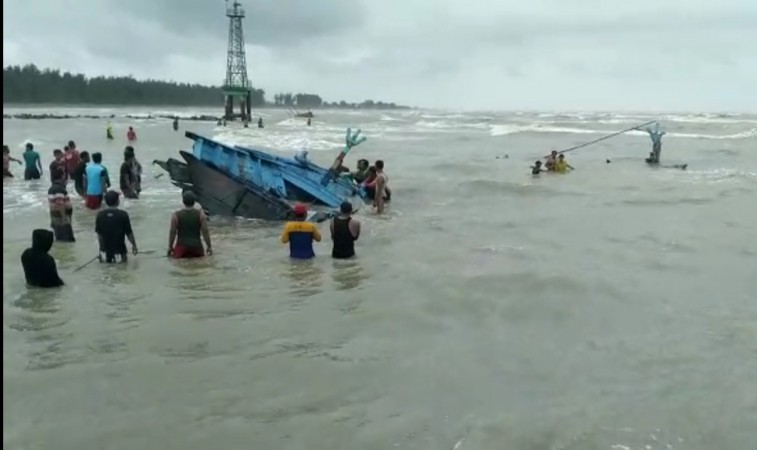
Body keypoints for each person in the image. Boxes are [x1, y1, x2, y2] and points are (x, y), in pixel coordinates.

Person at [95, 191, 138, 263]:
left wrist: (101, 250)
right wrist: (134, 245)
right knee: (122, 270)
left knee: (106, 271)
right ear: (118, 201)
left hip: (105, 252)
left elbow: (99, 235)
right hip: (120, 252)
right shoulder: (123, 215)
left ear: (106, 202)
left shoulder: (100, 215)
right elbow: (129, 233)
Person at [167, 191, 212, 258]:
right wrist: (209, 247)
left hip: (181, 247)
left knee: (175, 261)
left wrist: (170, 247)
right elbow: (205, 232)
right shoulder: (201, 215)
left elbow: (172, 232)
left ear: (183, 201)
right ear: (194, 201)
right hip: (196, 247)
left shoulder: (176, 215)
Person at [47, 167, 75, 242]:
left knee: (61, 241)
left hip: (57, 219)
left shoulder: (53, 188)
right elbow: (60, 205)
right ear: (61, 176)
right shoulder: (59, 189)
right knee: (67, 241)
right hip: (62, 221)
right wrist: (65, 219)